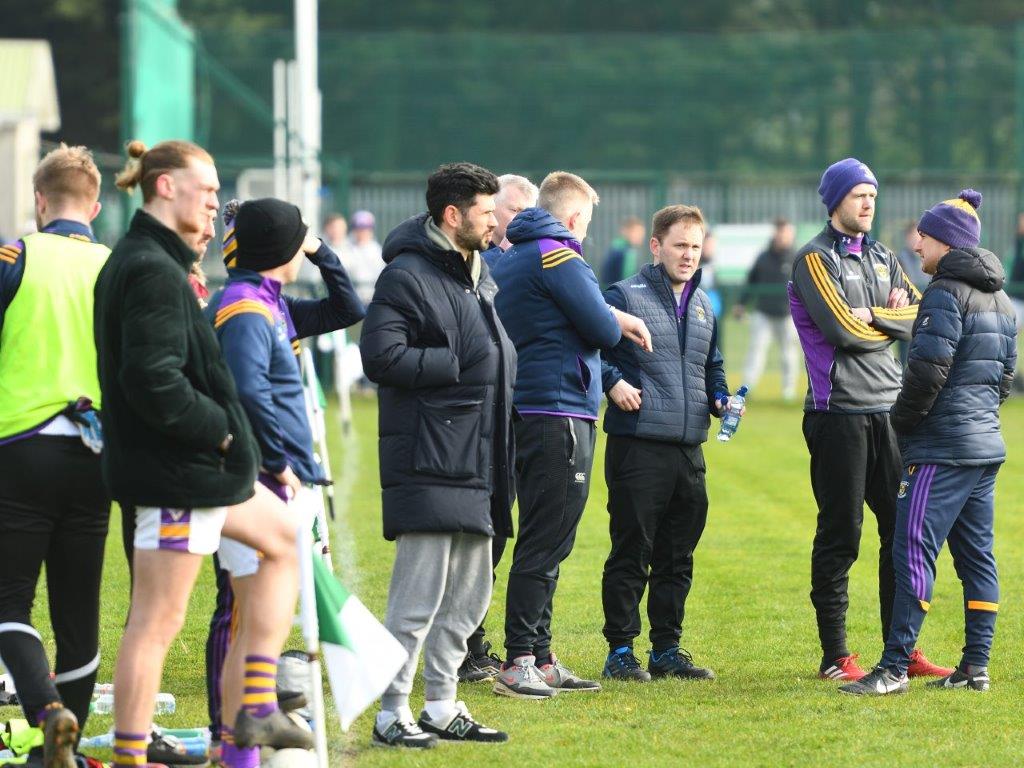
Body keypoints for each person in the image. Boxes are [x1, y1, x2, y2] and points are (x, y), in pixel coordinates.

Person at [94, 139, 312, 768]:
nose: (218, 202)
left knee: (285, 540)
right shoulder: (149, 269)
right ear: (166, 187)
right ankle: (133, 756)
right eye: (208, 188)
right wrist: (222, 432)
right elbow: (153, 380)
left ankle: (255, 710)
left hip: (203, 472)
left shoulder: (155, 262)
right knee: (155, 624)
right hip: (177, 474)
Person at [360, 162, 515, 748]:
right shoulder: (406, 275)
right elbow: (380, 356)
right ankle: (390, 709)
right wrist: (455, 368)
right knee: (416, 600)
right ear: (452, 217)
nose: (494, 220)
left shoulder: (479, 273)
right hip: (431, 456)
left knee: (469, 599)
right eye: (484, 211)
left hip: (481, 457)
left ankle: (443, 703)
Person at [205, 197, 364, 766]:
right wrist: (277, 462)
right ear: (279, 249)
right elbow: (249, 393)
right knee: (242, 616)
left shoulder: (272, 303)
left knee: (256, 618)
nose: (306, 246)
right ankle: (233, 743)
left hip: (280, 477)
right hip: (263, 478)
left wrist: (320, 251)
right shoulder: (247, 307)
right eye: (299, 240)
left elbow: (348, 307)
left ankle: (236, 745)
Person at [840, 190, 1017, 696]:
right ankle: (974, 668)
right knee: (978, 558)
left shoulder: (943, 292)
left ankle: (894, 668)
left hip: (941, 448)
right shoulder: (1001, 299)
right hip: (984, 446)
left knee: (911, 549)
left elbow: (926, 373)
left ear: (946, 241)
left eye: (924, 235)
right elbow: (1004, 379)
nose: (916, 244)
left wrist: (902, 423)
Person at [789, 157, 950, 683]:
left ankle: (898, 650)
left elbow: (924, 315)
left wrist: (877, 314)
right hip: (838, 416)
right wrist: (886, 319)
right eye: (859, 195)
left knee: (900, 534)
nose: (868, 204)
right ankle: (835, 656)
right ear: (835, 200)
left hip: (891, 413)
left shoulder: (883, 255)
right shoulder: (813, 260)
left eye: (873, 196)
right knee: (841, 533)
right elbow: (842, 333)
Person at [491, 171, 651, 699]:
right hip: (558, 407)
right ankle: (519, 659)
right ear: (576, 218)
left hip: (528, 405)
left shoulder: (511, 255)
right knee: (547, 536)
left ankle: (540, 653)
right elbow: (603, 332)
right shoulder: (560, 256)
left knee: (544, 531)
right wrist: (613, 319)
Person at [0, 144, 111, 767]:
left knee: (8, 600)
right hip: (97, 451)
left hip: (20, 445)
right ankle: (51, 758)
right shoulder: (117, 265)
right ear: (95, 206)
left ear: (40, 202)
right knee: (79, 614)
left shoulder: (14, 255)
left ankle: (48, 714)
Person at [599, 204, 733, 683]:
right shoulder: (622, 295)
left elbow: (711, 364)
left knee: (679, 553)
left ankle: (666, 649)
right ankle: (620, 650)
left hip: (688, 447)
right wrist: (611, 382)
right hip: (638, 444)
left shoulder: (703, 303)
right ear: (656, 246)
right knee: (632, 548)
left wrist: (719, 397)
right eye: (679, 245)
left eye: (695, 246)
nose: (688, 255)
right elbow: (589, 350)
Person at [459, 172, 539, 684]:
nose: (509, 224)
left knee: (505, 531)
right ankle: (467, 646)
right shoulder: (481, 266)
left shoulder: (521, 265)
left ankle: (480, 642)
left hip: (523, 415)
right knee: (477, 534)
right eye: (506, 212)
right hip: (481, 418)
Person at [736, 218, 799, 400]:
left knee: (789, 354)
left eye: (786, 232)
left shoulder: (797, 257)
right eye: (780, 232)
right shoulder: (763, 257)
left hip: (788, 315)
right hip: (763, 313)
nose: (783, 236)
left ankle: (789, 391)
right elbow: (751, 281)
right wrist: (741, 303)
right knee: (756, 351)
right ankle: (747, 389)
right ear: (775, 233)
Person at [481, 174, 538, 269]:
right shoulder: (468, 243)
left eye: (528, 213)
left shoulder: (536, 252)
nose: (522, 218)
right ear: (491, 206)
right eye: (514, 210)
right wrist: (501, 252)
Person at [896, 221, 930, 366]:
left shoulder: (926, 258)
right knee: (907, 356)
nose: (917, 241)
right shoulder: (899, 259)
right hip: (908, 315)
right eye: (914, 236)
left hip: (926, 313)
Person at [342, 209, 384, 306]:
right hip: (349, 299)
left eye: (365, 228)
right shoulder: (345, 247)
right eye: (358, 228)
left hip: (372, 300)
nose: (362, 232)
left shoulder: (376, 250)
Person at [600, 216, 646, 288]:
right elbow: (628, 280)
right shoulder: (628, 252)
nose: (640, 236)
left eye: (641, 233)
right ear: (625, 231)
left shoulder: (615, 245)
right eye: (636, 232)